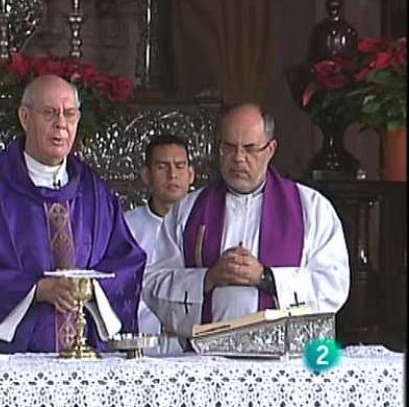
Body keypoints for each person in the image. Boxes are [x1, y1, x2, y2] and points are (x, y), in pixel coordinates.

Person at [0, 74, 146, 354]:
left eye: (69, 114)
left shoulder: (95, 192)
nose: (61, 124)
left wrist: (91, 289)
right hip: (15, 360)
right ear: (24, 117)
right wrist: (35, 290)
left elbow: (127, 260)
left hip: (88, 358)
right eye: (49, 113)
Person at [142, 103, 350, 338]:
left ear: (270, 150)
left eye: (250, 148)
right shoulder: (188, 210)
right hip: (207, 360)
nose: (238, 158)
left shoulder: (311, 208)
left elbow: (334, 285)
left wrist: (265, 278)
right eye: (229, 147)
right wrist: (209, 278)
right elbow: (153, 283)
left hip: (284, 364)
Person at [124, 134, 194, 353]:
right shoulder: (126, 227)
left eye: (180, 166)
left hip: (195, 349)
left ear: (191, 174)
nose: (172, 174)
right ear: (146, 175)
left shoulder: (206, 224)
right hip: (140, 348)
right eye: (162, 167)